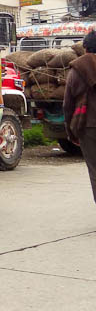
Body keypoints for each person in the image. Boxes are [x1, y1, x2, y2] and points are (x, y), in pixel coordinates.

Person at [63, 30, 96, 205]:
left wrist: (71, 132)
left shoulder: (76, 71)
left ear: (85, 48)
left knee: (94, 170)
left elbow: (67, 105)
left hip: (87, 126)